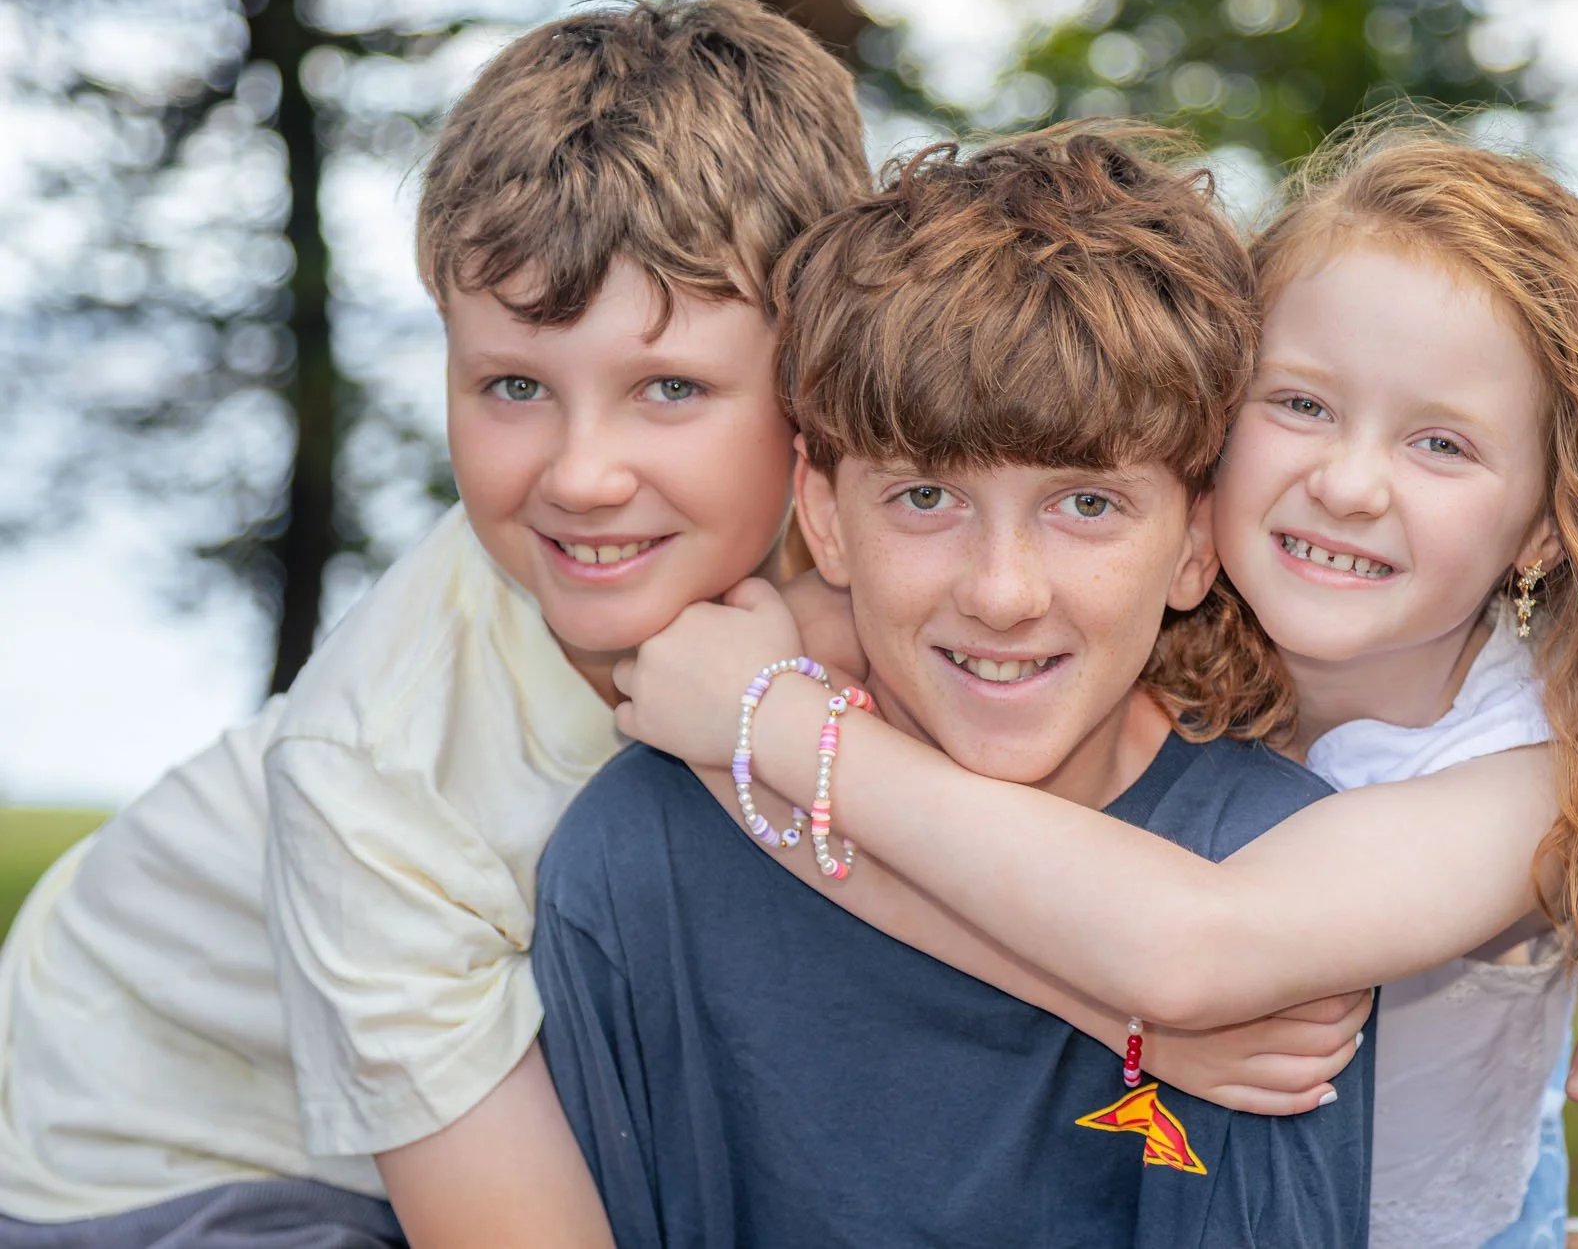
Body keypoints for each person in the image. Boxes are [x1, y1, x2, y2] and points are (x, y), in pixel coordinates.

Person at [614, 124, 1578, 1246]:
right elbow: (767, 715)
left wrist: (771, 725)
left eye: (1439, 442)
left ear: (1547, 528)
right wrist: (1116, 1021)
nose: (1347, 484)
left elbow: (1190, 952)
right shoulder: (1147, 619)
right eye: (1299, 404)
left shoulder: (1538, 777)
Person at [0, 0, 869, 1248]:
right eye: (513, 384)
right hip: (151, 1156)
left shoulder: (902, 563)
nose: (580, 473)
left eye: (668, 386)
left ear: (814, 378)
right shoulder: (377, 770)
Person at [530, 125, 1376, 1247]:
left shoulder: (1271, 869)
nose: (1002, 593)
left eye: (1086, 504)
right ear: (824, 516)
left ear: (1195, 542)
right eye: (925, 498)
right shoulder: (641, 857)